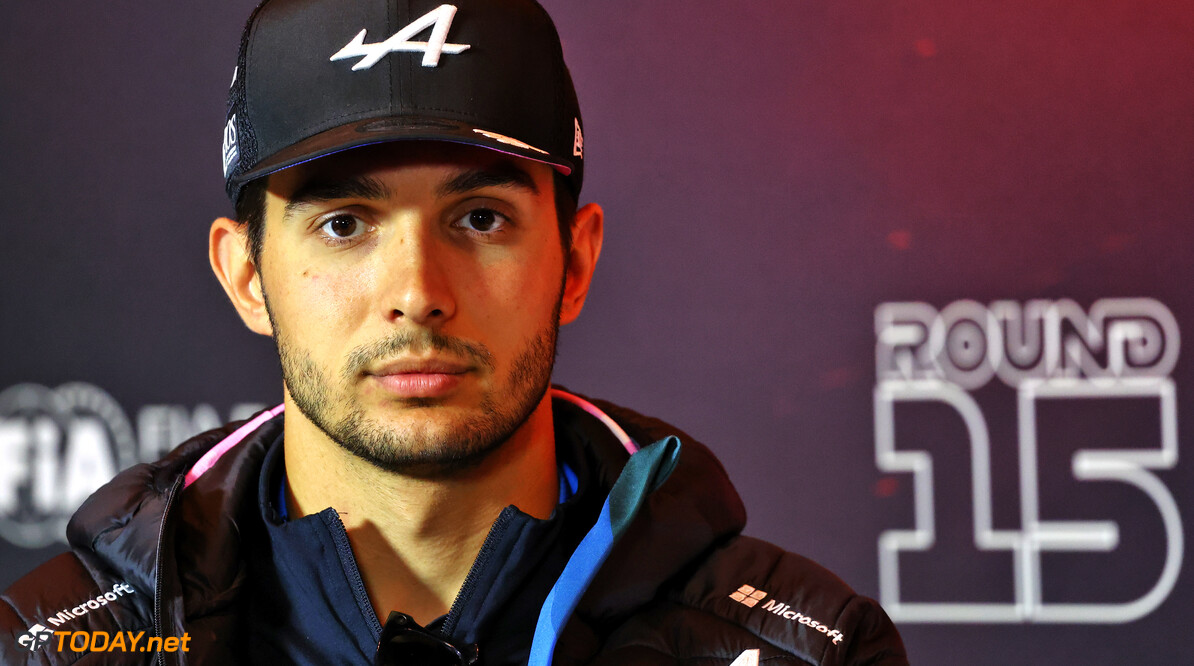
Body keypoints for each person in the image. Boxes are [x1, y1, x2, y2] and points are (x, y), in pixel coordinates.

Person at [1, 0, 908, 664]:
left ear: (576, 263)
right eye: (345, 224)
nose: (418, 293)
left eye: (479, 219)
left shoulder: (805, 650)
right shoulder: (45, 652)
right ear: (246, 275)